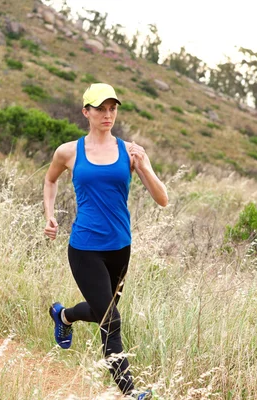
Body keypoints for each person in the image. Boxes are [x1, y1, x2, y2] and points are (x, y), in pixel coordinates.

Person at [43, 83, 168, 399]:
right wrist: (50, 214)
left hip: (120, 248)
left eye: (112, 108)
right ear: (86, 111)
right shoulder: (69, 151)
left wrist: (143, 166)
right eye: (100, 108)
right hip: (84, 248)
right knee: (111, 319)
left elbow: (162, 198)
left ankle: (64, 316)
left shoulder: (130, 152)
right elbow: (50, 179)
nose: (107, 114)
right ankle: (130, 391)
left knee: (103, 311)